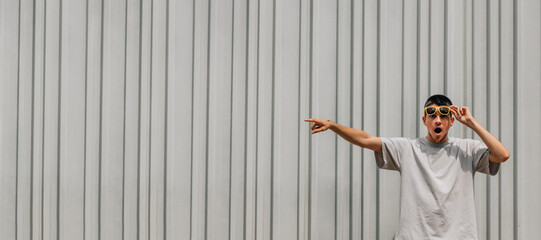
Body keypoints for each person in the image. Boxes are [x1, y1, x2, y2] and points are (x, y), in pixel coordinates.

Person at [304, 94, 509, 239]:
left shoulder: (467, 149)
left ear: (452, 120)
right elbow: (366, 140)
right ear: (424, 120)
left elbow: (502, 155)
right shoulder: (407, 149)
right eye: (432, 115)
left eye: (444, 115)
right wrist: (333, 125)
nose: (438, 120)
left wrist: (472, 123)